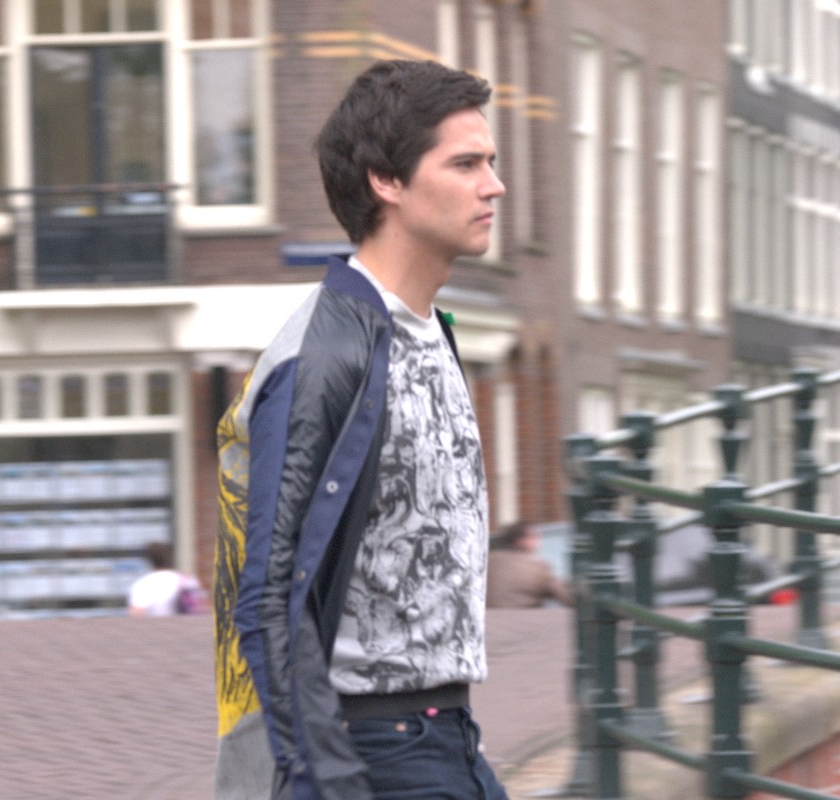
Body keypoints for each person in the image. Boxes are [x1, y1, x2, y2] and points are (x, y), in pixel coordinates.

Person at [212, 60, 507, 800]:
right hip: (371, 751)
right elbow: (268, 596)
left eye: (491, 162)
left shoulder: (428, 331)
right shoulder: (322, 355)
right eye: (466, 164)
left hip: (448, 739)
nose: (494, 185)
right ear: (386, 181)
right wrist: (332, 778)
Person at [485, 522, 572, 609]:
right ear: (520, 541)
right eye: (535, 537)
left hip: (487, 616)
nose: (539, 542)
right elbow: (566, 597)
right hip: (523, 616)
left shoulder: (487, 561)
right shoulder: (537, 566)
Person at [128, 541, 208, 617]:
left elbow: (136, 613)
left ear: (149, 560)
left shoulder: (143, 584)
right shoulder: (187, 580)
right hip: (188, 625)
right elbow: (202, 606)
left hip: (157, 626)